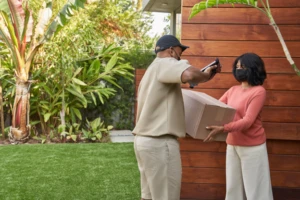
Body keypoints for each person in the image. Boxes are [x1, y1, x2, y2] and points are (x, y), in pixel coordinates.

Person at [132, 35, 221, 200]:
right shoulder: (165, 63)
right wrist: (206, 76)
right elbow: (188, 75)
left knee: (149, 196)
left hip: (143, 142)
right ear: (171, 51)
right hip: (160, 143)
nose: (181, 57)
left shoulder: (150, 72)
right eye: (180, 53)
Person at [204, 53, 273, 200]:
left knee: (256, 191)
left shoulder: (259, 91)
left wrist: (223, 129)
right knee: (233, 189)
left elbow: (248, 121)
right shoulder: (233, 90)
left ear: (253, 69)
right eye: (237, 67)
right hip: (233, 145)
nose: (239, 69)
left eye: (242, 66)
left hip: (253, 147)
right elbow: (217, 108)